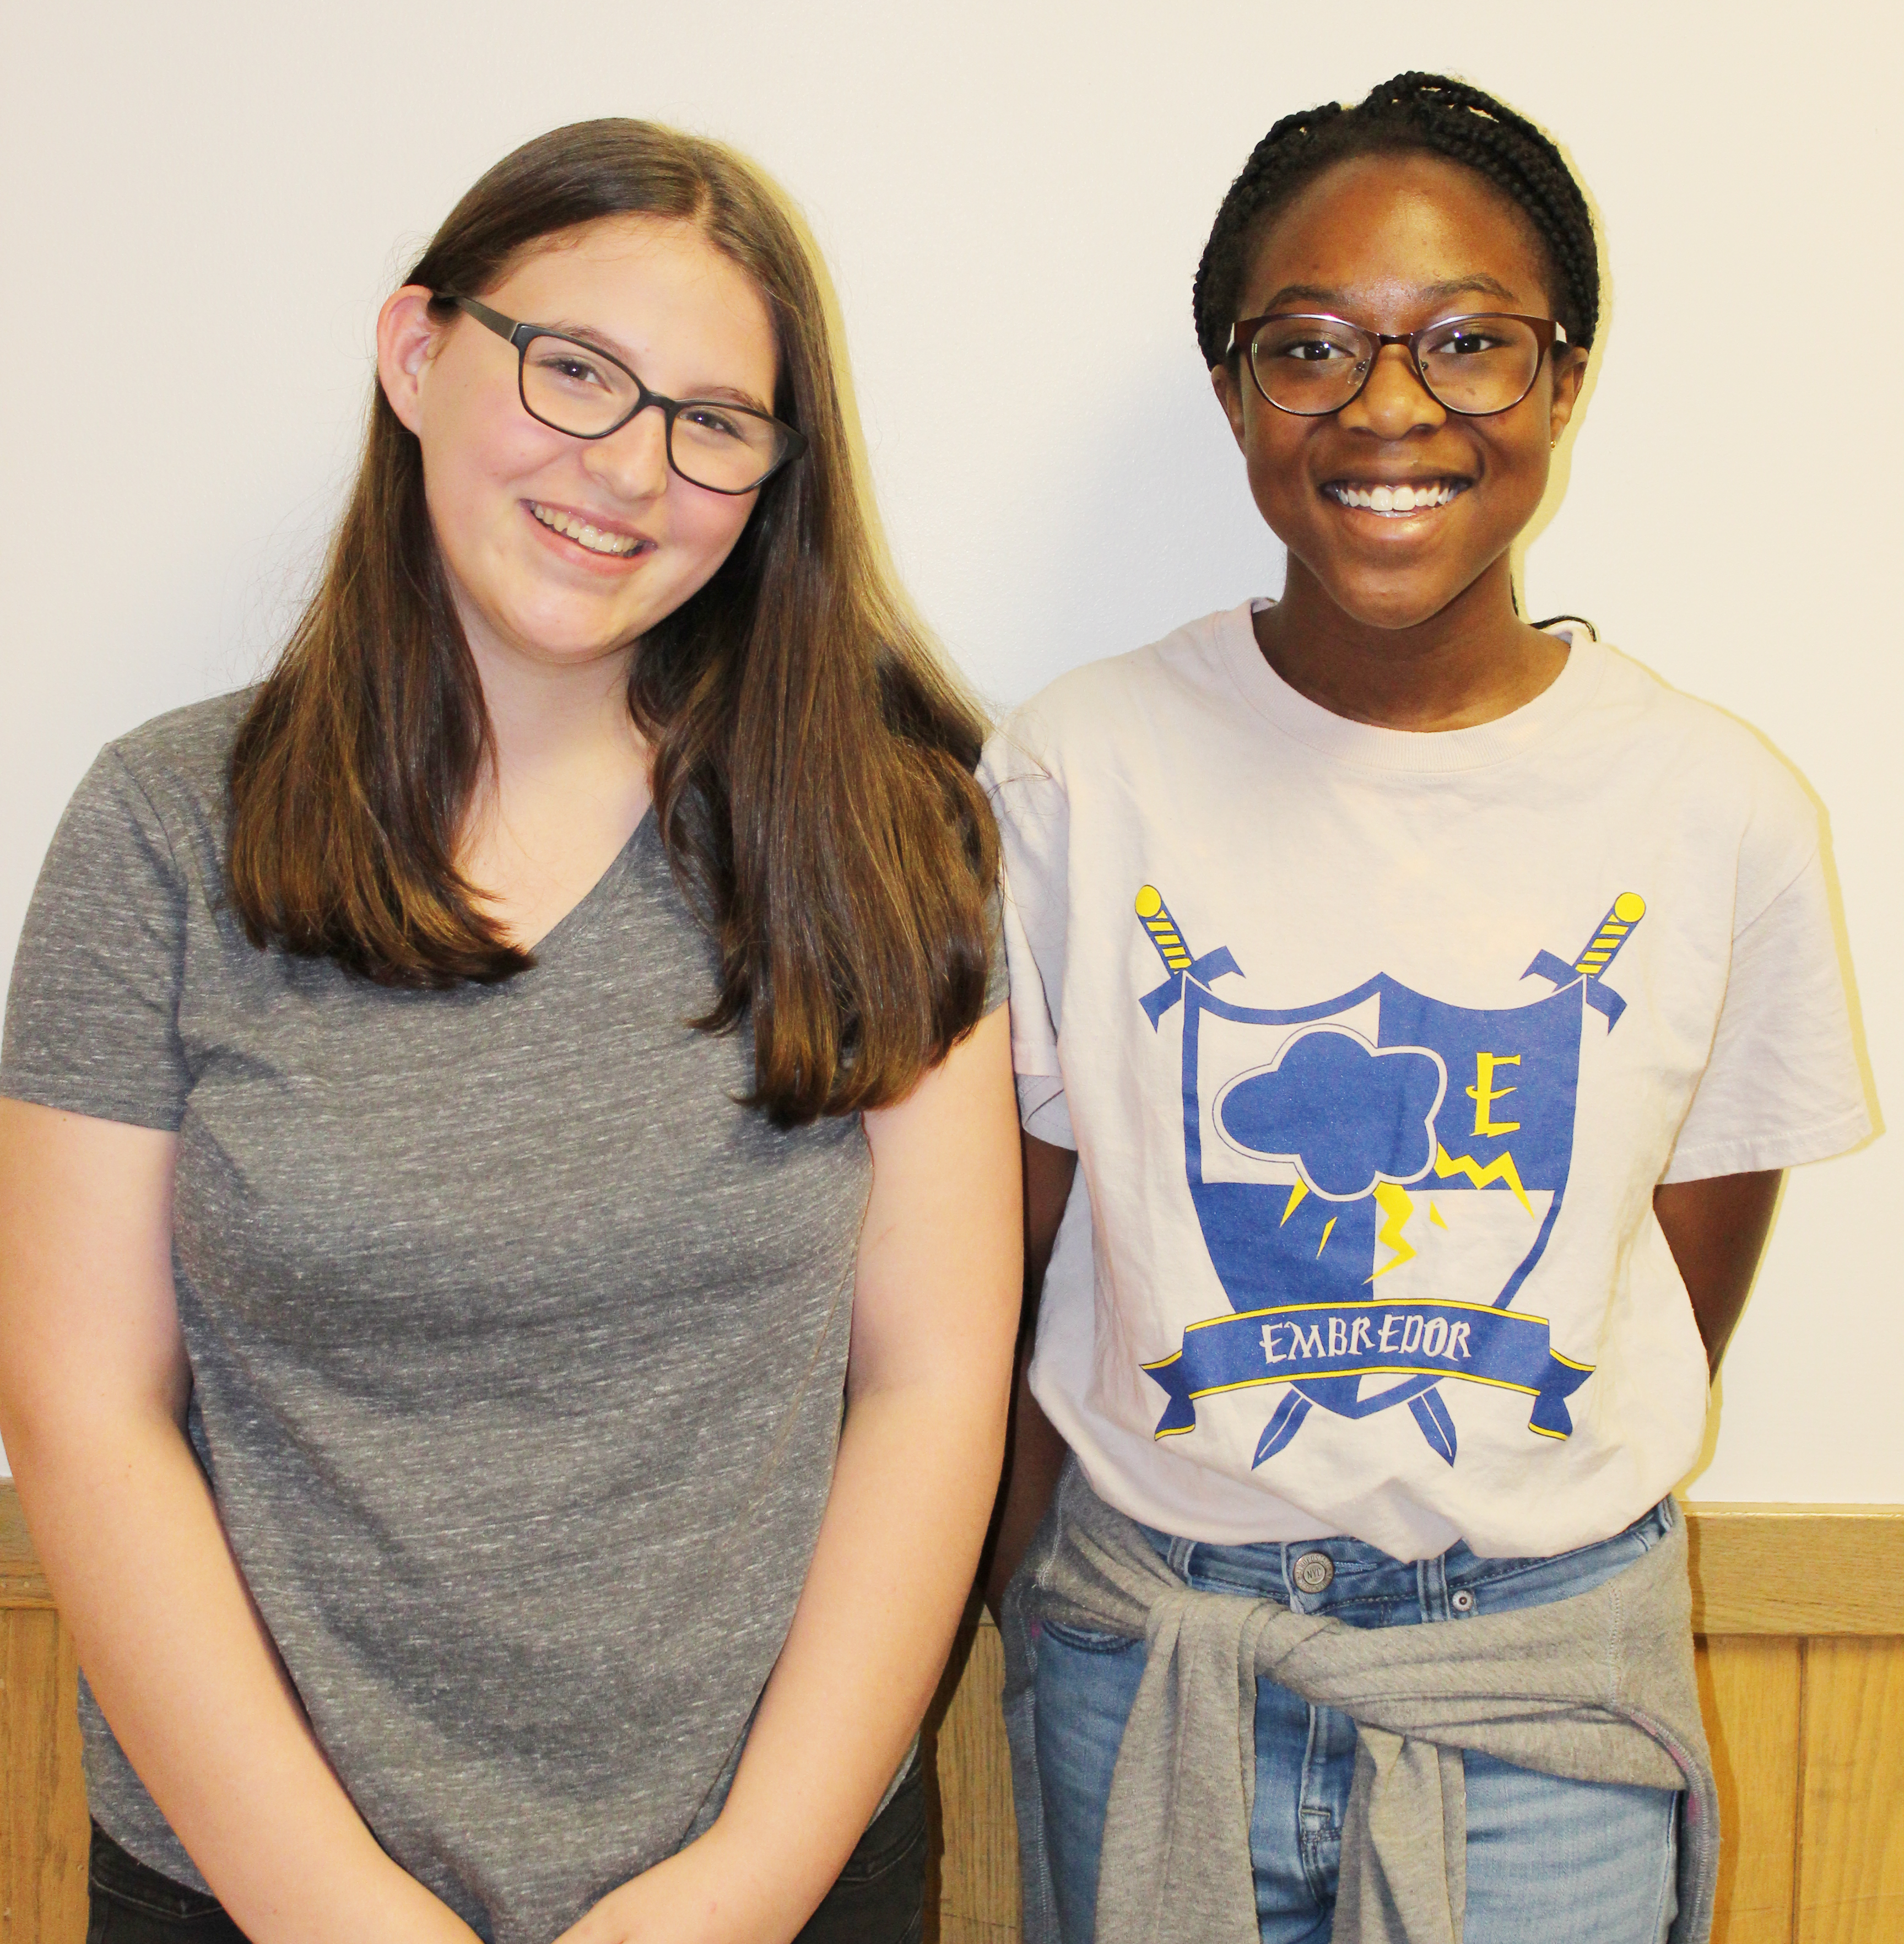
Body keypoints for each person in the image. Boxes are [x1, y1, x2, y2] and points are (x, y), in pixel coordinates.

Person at [0, 120, 1020, 1944]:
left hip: (780, 1889)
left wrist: (744, 1885)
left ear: (775, 473)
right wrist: (333, 1909)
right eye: (574, 372)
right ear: (415, 354)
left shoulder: (885, 831)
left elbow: (935, 1388)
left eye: (713, 420)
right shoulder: (163, 827)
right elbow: (82, 1407)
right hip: (249, 1889)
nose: (628, 469)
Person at [978, 72, 1870, 1944]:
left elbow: (1673, 1276)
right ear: (1232, 393)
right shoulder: (1081, 768)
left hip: (1540, 1688)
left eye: (1469, 342)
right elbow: (1021, 1243)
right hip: (1158, 1661)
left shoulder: (1719, 808)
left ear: (1564, 377)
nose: (1391, 408)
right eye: (1310, 348)